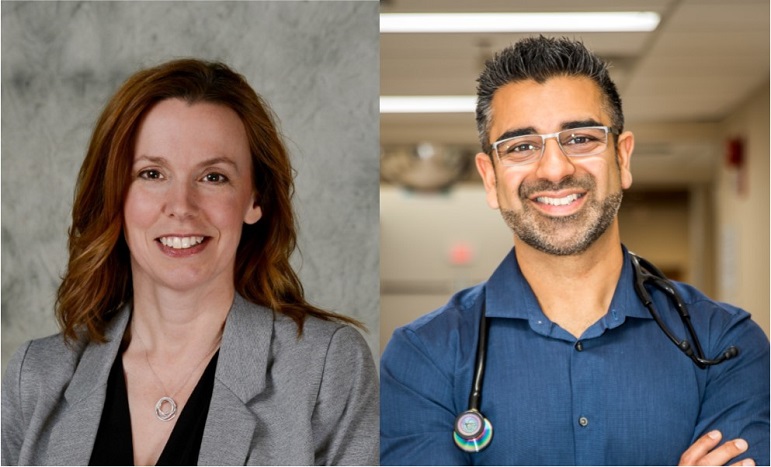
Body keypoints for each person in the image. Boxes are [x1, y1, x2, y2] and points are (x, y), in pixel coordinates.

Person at [380, 36, 769, 466]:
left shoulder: (724, 343)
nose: (555, 168)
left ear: (623, 158)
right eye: (522, 147)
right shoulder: (425, 355)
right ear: (490, 178)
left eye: (581, 138)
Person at [2, 59, 378, 465]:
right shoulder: (37, 376)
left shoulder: (324, 371)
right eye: (151, 173)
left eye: (213, 177)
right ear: (115, 194)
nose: (181, 207)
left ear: (255, 200)